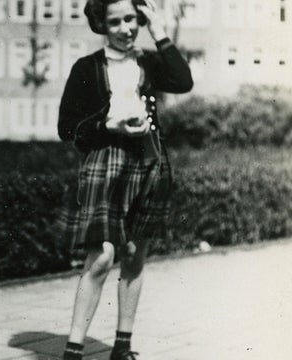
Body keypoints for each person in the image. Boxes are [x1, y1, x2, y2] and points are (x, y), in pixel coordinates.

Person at [57, 0, 193, 359]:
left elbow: (183, 80)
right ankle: (73, 349)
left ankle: (122, 347)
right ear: (101, 24)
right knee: (101, 258)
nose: (124, 28)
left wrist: (158, 30)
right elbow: (67, 128)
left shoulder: (148, 62)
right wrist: (107, 126)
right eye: (115, 21)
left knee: (134, 255)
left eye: (131, 19)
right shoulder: (87, 68)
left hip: (149, 160)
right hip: (106, 161)